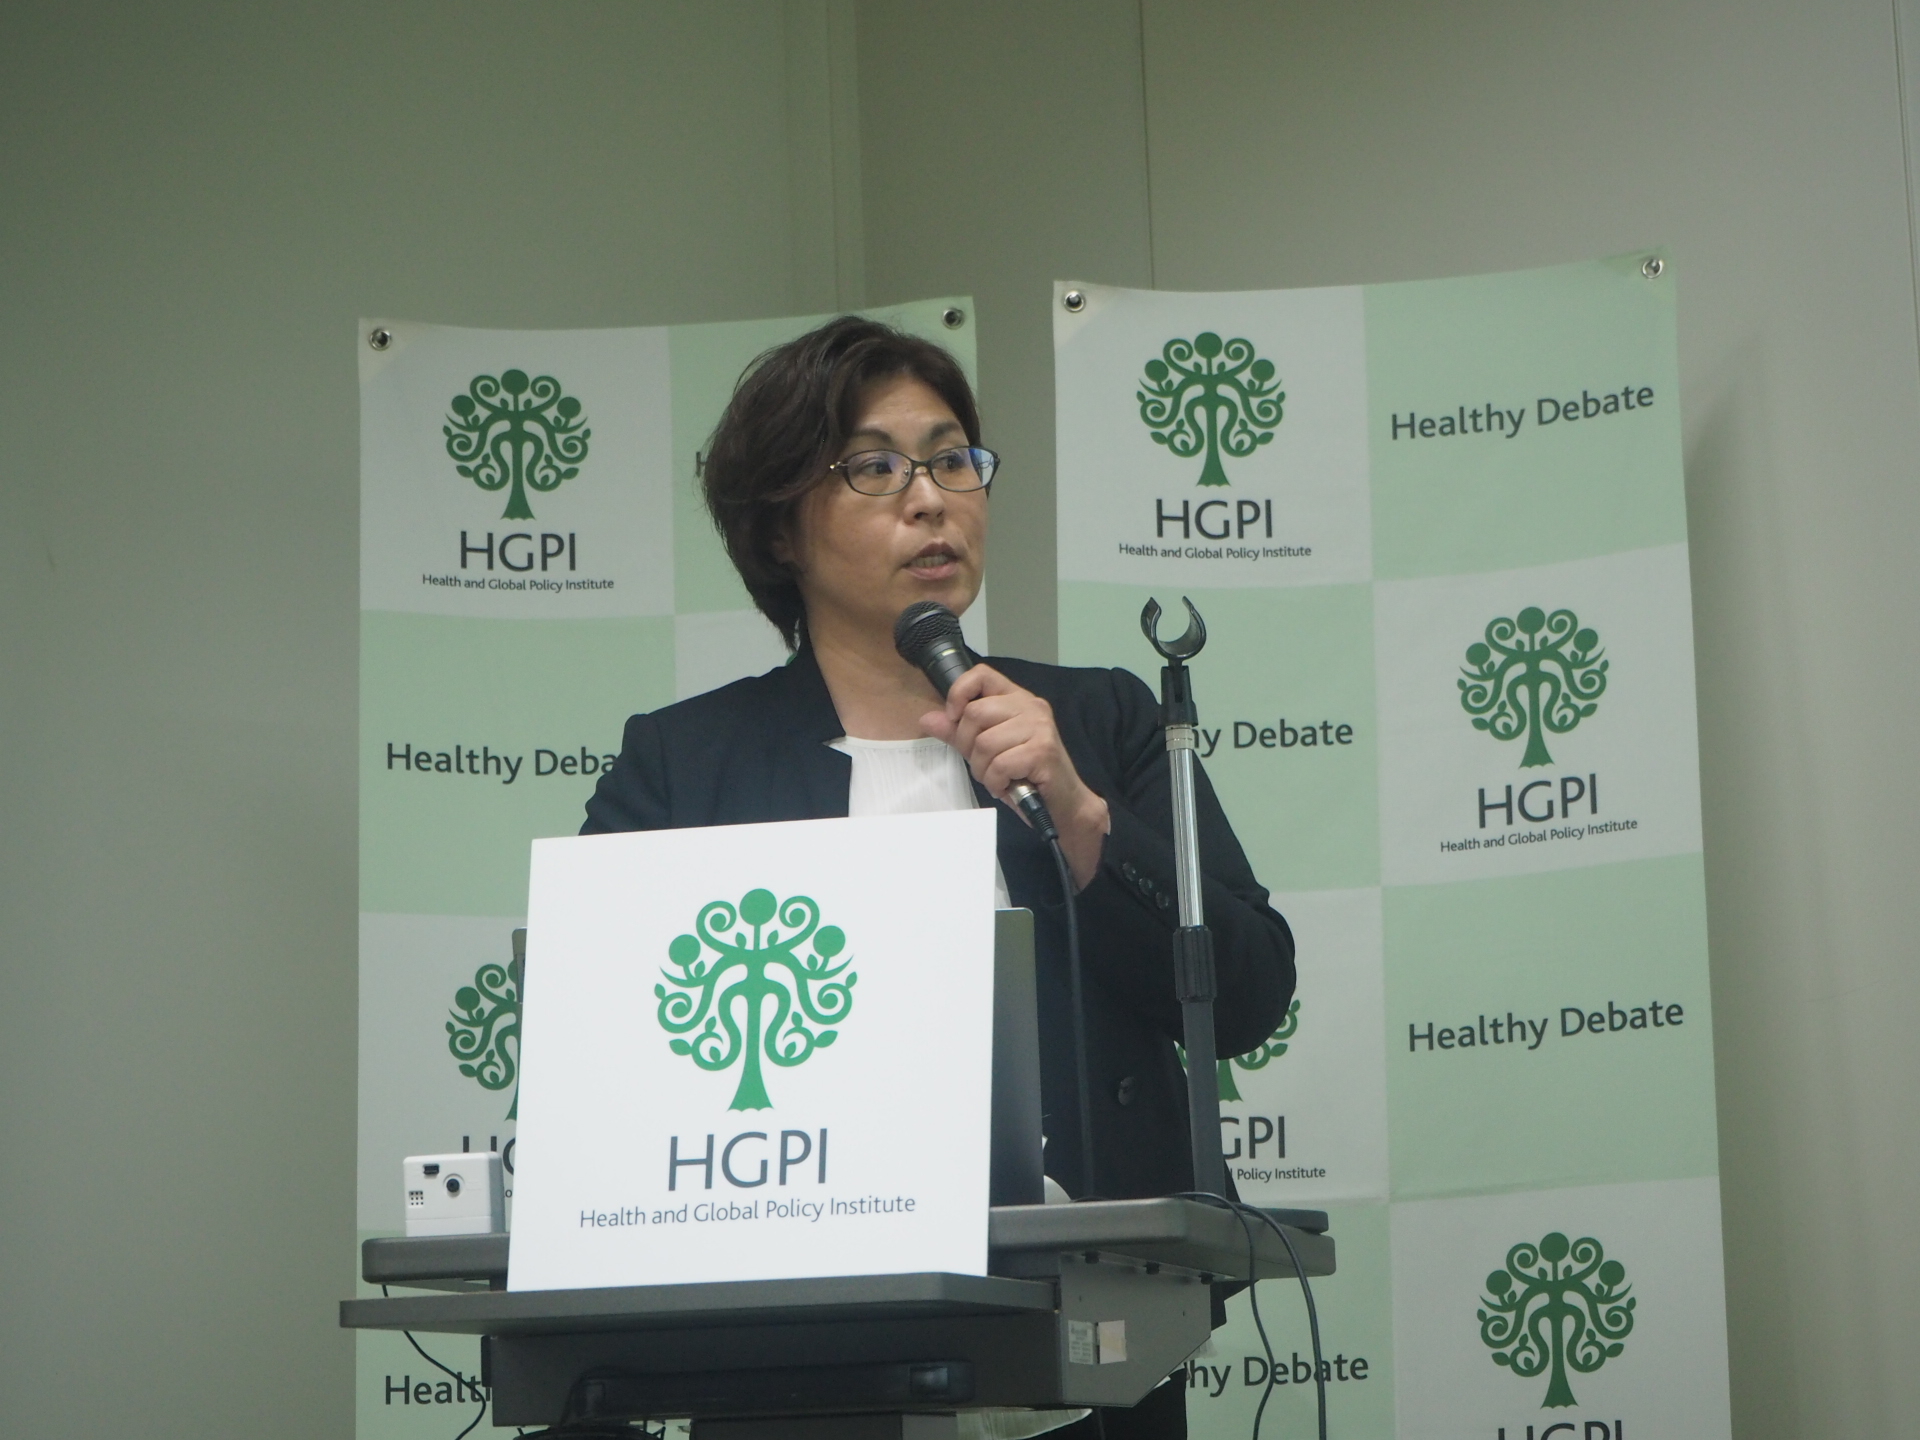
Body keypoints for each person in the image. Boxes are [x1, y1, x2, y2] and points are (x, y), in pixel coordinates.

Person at [581, 316, 1295, 1440]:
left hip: (1097, 1344)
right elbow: (600, 1056)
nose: (931, 501)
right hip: (793, 1356)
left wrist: (1083, 818)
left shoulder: (1098, 719)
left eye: (952, 459)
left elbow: (1248, 996)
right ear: (779, 529)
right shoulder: (685, 764)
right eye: (875, 468)